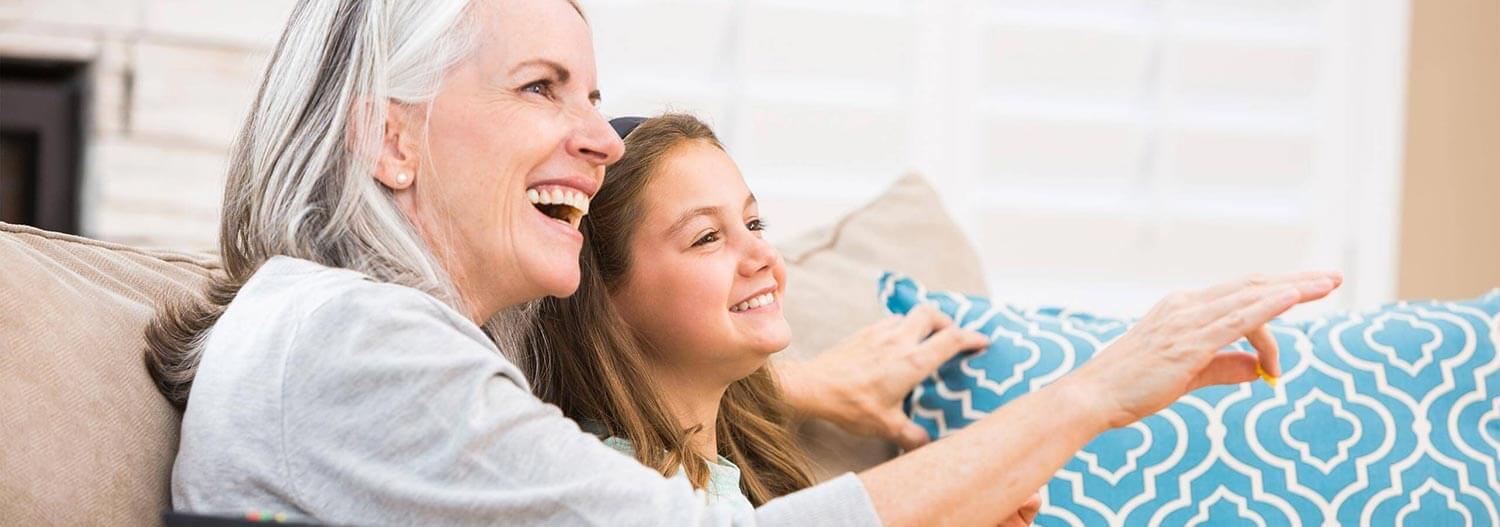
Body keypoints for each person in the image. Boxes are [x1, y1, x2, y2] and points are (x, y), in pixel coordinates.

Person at [143, 0, 1343, 525]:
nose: (599, 137)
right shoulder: (354, 337)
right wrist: (1096, 388)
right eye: (539, 88)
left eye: (595, 94)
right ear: (388, 134)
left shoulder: (374, 351)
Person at [522, 113, 1044, 524]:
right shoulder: (622, 492)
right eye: (707, 237)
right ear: (604, 297)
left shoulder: (728, 473)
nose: (763, 257)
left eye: (754, 223)